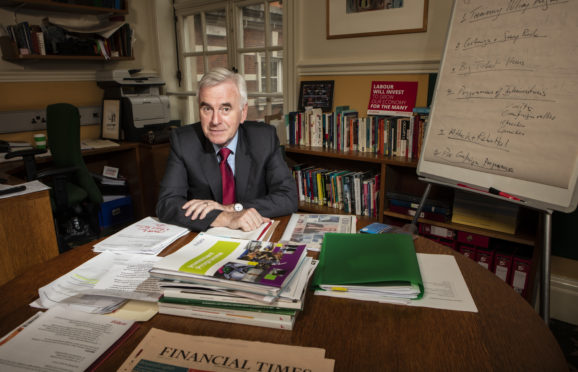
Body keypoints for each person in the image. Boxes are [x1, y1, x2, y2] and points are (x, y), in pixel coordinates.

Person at [156, 67, 298, 232]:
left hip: (252, 232)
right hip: (206, 238)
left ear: (243, 112)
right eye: (207, 109)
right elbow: (167, 204)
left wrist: (233, 209)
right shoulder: (184, 141)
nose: (215, 121)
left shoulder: (263, 139)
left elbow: (288, 197)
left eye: (225, 109)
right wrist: (224, 217)